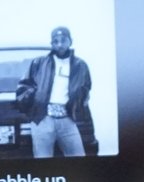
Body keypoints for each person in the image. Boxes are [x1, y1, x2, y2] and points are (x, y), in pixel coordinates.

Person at [17, 26, 95, 157]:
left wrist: (78, 105)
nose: (60, 44)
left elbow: (86, 88)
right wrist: (34, 105)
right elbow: (23, 87)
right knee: (43, 160)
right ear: (51, 43)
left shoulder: (80, 65)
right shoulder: (39, 63)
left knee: (78, 156)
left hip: (68, 120)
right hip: (42, 120)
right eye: (55, 41)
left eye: (63, 40)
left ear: (70, 41)